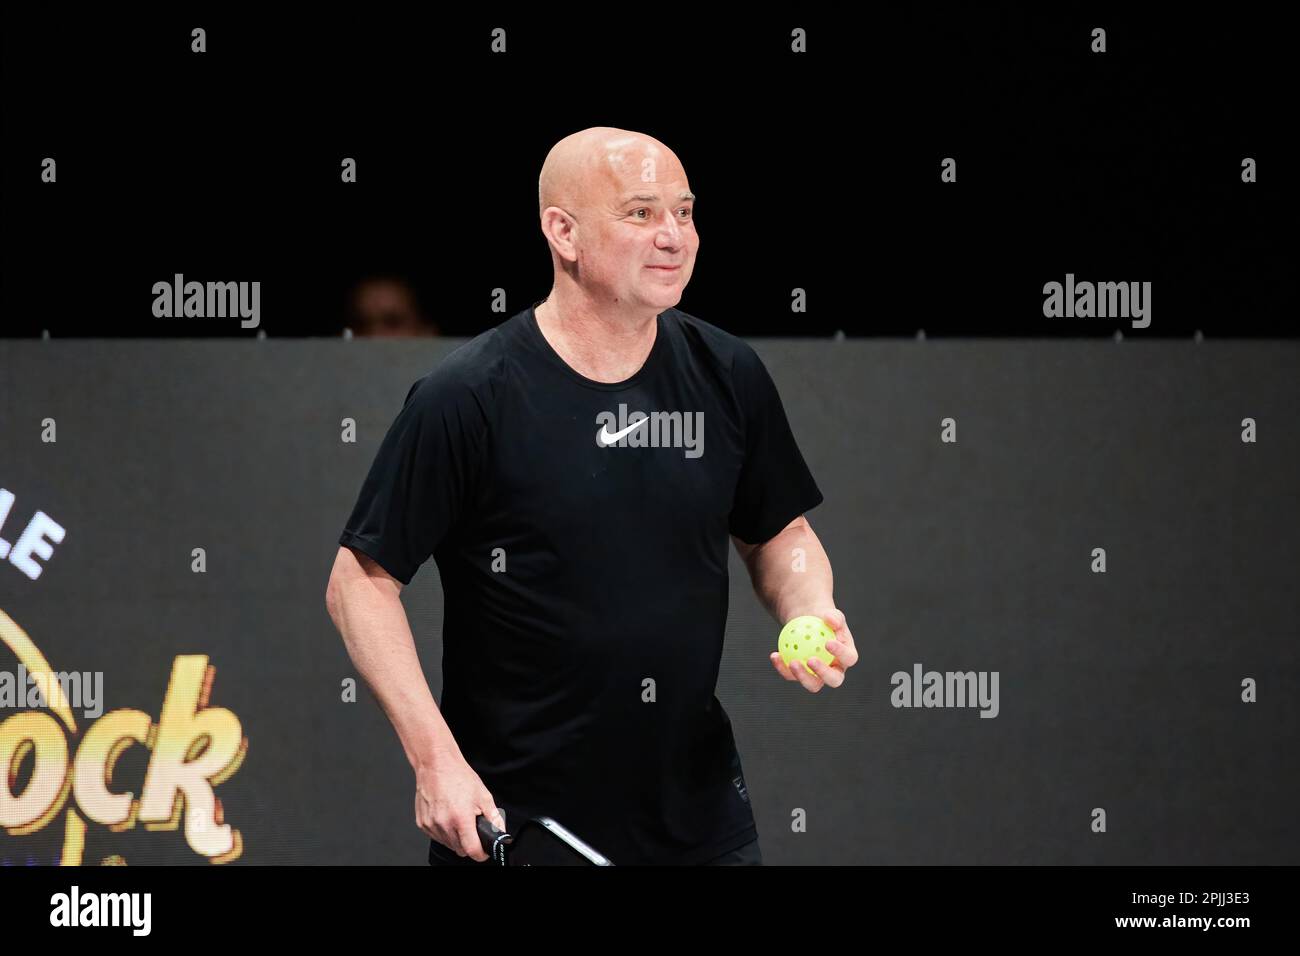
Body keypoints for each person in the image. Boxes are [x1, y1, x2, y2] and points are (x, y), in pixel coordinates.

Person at [325, 127, 858, 866]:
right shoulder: (468, 398)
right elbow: (360, 583)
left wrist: (812, 608)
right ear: (562, 231)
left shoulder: (727, 373)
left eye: (685, 211)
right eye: (641, 213)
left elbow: (779, 533)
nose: (674, 236)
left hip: (699, 821)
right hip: (521, 828)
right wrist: (435, 762)